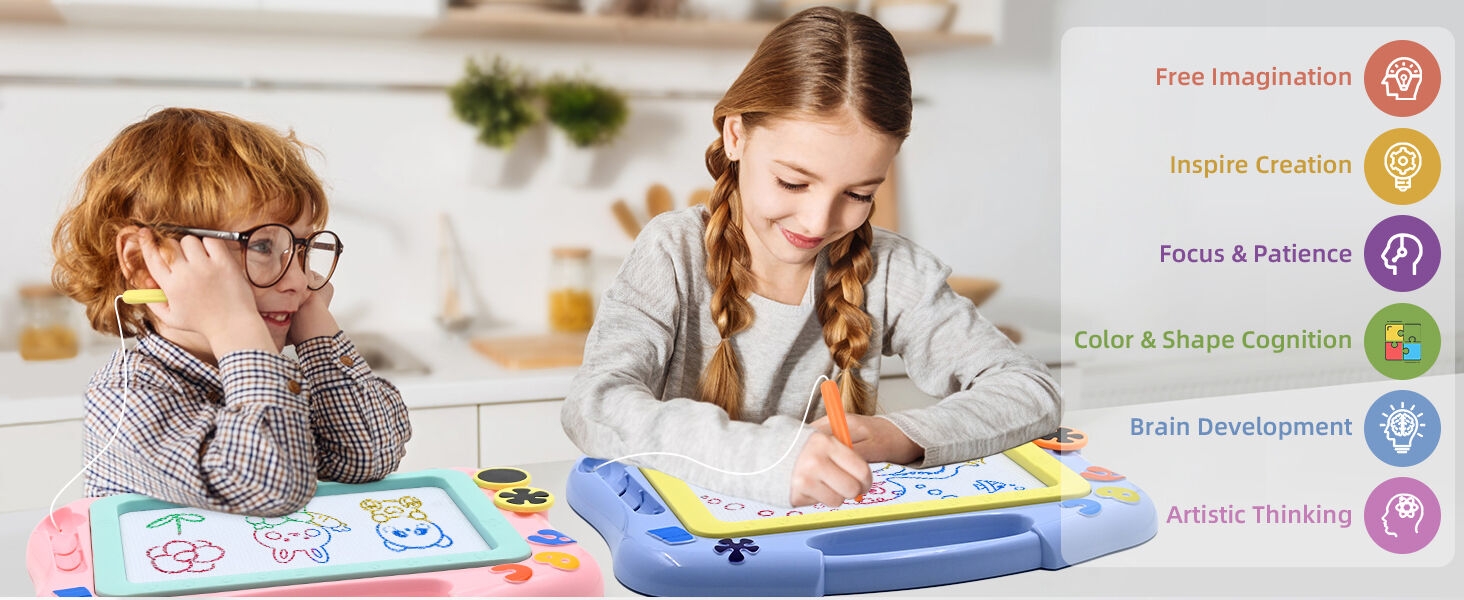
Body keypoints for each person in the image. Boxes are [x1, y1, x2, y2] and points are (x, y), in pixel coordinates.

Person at [561, 7, 1061, 508]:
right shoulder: (672, 251)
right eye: (793, 182)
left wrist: (898, 433)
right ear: (735, 136)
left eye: (859, 194)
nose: (818, 223)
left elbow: (1030, 389)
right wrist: (768, 457)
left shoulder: (891, 271)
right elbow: (595, 404)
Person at [51, 107, 411, 517]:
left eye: (302, 248)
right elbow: (269, 489)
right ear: (142, 265)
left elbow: (368, 457)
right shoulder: (126, 397)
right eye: (262, 246)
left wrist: (320, 338)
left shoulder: (275, 375)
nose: (297, 279)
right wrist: (235, 326)